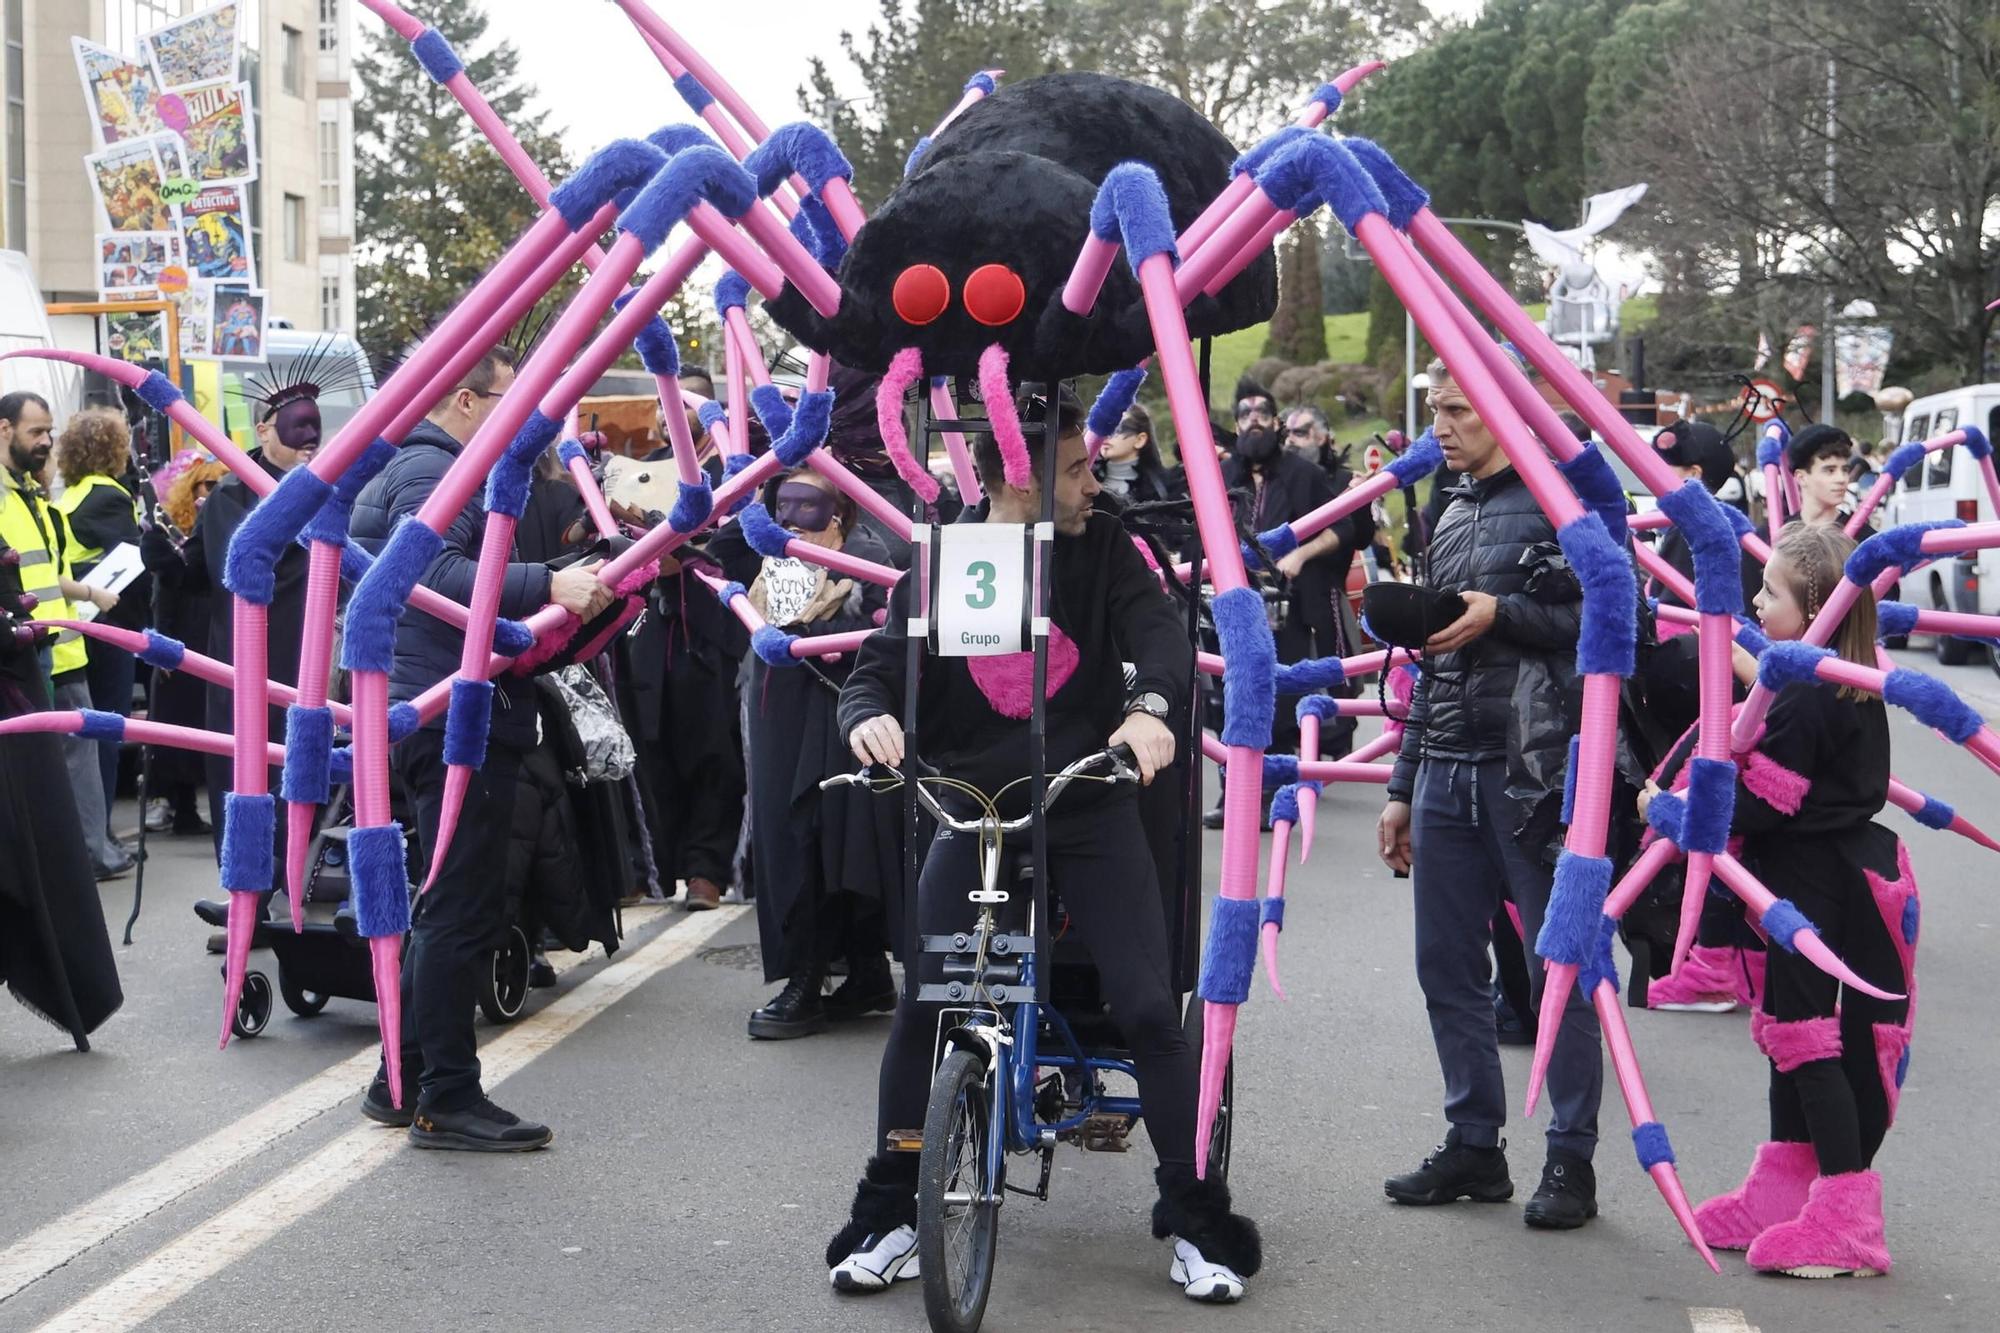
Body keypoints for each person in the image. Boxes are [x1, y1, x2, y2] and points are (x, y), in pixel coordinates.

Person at [825, 387, 1262, 1303]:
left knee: (1147, 1006)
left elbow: (1157, 640)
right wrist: (868, 721)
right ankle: (894, 1209)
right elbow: (873, 671)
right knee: (923, 1007)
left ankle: (1193, 1216)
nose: (1092, 481)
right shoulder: (942, 557)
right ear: (1016, 473)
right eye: (1073, 468)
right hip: (973, 805)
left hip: (1090, 798)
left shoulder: (1106, 550)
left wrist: (1148, 711)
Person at [350, 347, 613, 1150]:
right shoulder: (438, 471)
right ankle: (446, 1096)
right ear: (466, 402)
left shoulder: (419, 465)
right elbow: (431, 569)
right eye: (504, 400)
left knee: (449, 903)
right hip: (451, 713)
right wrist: (550, 585)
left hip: (436, 706)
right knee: (463, 908)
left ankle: (403, 1077)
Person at [1644, 524, 1913, 1278]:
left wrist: (1669, 810)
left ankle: (1848, 1218)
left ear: (1816, 605)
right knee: (1786, 1030)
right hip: (1831, 874)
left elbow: (1764, 809)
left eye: (1772, 593)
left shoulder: (1804, 697)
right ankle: (1784, 1190)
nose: (1759, 603)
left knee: (1805, 1037)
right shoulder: (1838, 677)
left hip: (1818, 883)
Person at [1375, 357, 1603, 1230]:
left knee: (1560, 973)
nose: (1442, 425)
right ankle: (1475, 1143)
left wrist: (1499, 612)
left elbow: (1609, 620)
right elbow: (1432, 659)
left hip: (1536, 775)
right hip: (1446, 771)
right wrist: (1402, 783)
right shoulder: (1448, 505)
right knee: (1447, 968)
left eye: (1458, 410)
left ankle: (1570, 1158)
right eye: (1434, 409)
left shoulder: (1561, 499)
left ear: (1509, 414)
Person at [708, 468, 901, 1039]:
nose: (793, 519)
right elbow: (720, 547)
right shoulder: (767, 557)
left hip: (839, 711)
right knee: (790, 839)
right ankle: (809, 975)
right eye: (781, 505)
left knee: (843, 838)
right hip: (778, 713)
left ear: (840, 512)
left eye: (808, 506)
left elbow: (881, 621)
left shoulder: (866, 560)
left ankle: (858, 969)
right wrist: (757, 485)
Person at [0, 391, 129, 880]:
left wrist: (87, 593)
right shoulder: (12, 496)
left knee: (62, 760)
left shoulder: (28, 494)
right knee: (50, 762)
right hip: (22, 650)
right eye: (36, 431)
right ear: (4, 429)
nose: (47, 442)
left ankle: (68, 863)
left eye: (49, 432)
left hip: (50, 645)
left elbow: (43, 572)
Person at [55, 407, 146, 820]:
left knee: (83, 732)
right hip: (107, 623)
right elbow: (130, 563)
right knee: (109, 728)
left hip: (78, 620)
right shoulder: (108, 494)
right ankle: (101, 831)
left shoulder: (70, 494)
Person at [138, 454, 227, 835]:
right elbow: (168, 592)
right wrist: (163, 643)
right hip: (183, 634)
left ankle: (196, 808)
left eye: (218, 485)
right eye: (205, 485)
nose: (212, 492)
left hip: (214, 635)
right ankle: (179, 805)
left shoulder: (221, 525)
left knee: (209, 724)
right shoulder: (171, 528)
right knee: (178, 723)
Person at [1093, 403, 1183, 505]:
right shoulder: (1087, 481)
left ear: (1140, 440)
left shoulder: (1166, 487)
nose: (1107, 435)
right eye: (1104, 427)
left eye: (1117, 429)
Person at [1786, 424, 1856, 528]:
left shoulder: (1866, 540)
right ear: (1801, 478)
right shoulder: (1774, 535)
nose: (1842, 479)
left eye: (1845, 470)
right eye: (1830, 471)